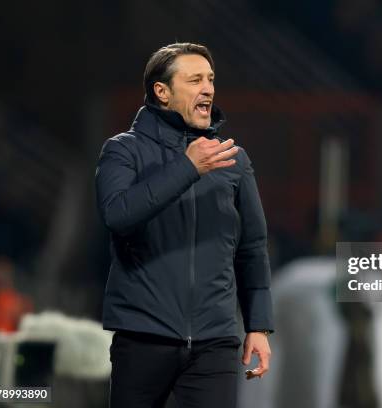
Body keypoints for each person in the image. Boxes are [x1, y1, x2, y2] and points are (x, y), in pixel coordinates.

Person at [95, 42, 274, 408]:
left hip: (215, 343)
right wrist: (187, 168)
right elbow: (117, 215)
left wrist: (258, 325)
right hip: (143, 337)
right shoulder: (122, 150)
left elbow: (252, 247)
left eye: (210, 79)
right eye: (194, 80)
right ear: (162, 91)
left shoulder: (233, 160)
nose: (207, 88)